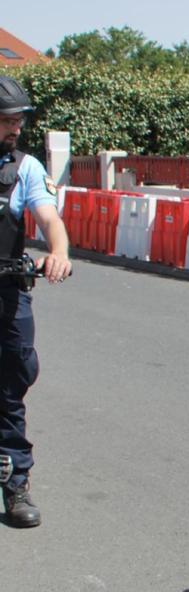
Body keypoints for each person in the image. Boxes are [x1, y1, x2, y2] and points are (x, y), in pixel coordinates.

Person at [0, 75, 71, 528]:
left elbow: (48, 217)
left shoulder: (23, 168)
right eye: (6, 121)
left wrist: (58, 252)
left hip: (8, 291)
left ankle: (15, 483)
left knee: (13, 381)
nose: (15, 129)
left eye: (18, 121)